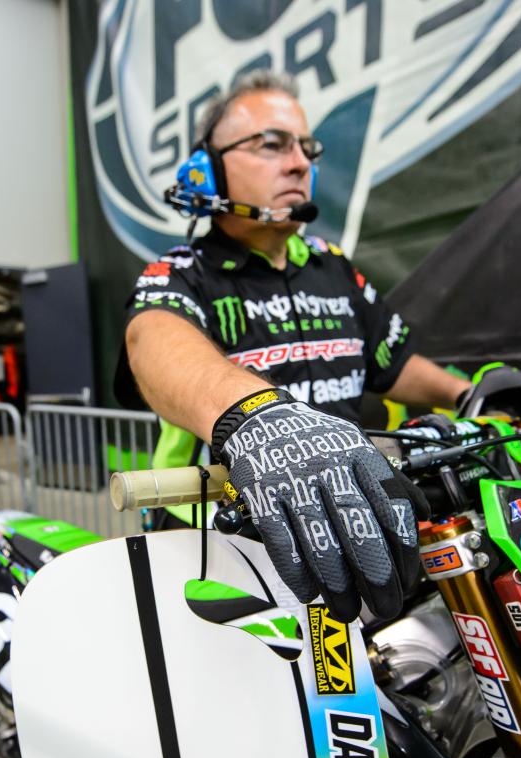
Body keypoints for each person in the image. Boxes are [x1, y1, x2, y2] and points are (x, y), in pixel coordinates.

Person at [119, 70, 470, 623]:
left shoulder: (335, 269)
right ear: (206, 170)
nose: (300, 163)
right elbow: (154, 339)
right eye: (271, 144)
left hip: (347, 525)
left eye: (306, 148)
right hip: (217, 551)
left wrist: (471, 393)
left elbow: (394, 364)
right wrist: (258, 416)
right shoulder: (181, 270)